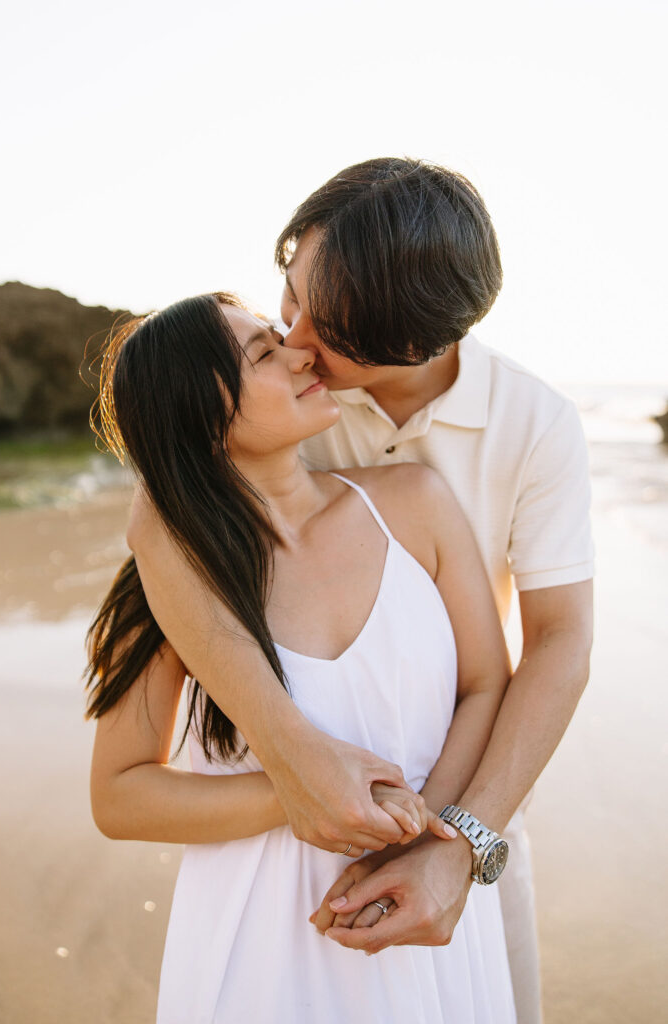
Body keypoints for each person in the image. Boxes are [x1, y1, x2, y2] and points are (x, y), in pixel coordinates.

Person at [127, 159, 594, 1024]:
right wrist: (291, 757)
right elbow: (159, 522)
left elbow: (558, 644)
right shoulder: (283, 397)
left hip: (470, 796)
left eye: (324, 325)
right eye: (290, 292)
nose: (294, 335)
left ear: (413, 346)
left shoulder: (534, 427)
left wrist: (456, 846)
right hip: (282, 859)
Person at [87, 292, 516, 1022]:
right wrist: (298, 793)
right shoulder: (170, 581)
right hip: (257, 941)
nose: (301, 351)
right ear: (201, 411)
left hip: (423, 908)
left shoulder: (413, 502)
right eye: (262, 353)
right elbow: (119, 795)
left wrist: (427, 842)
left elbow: (486, 686)